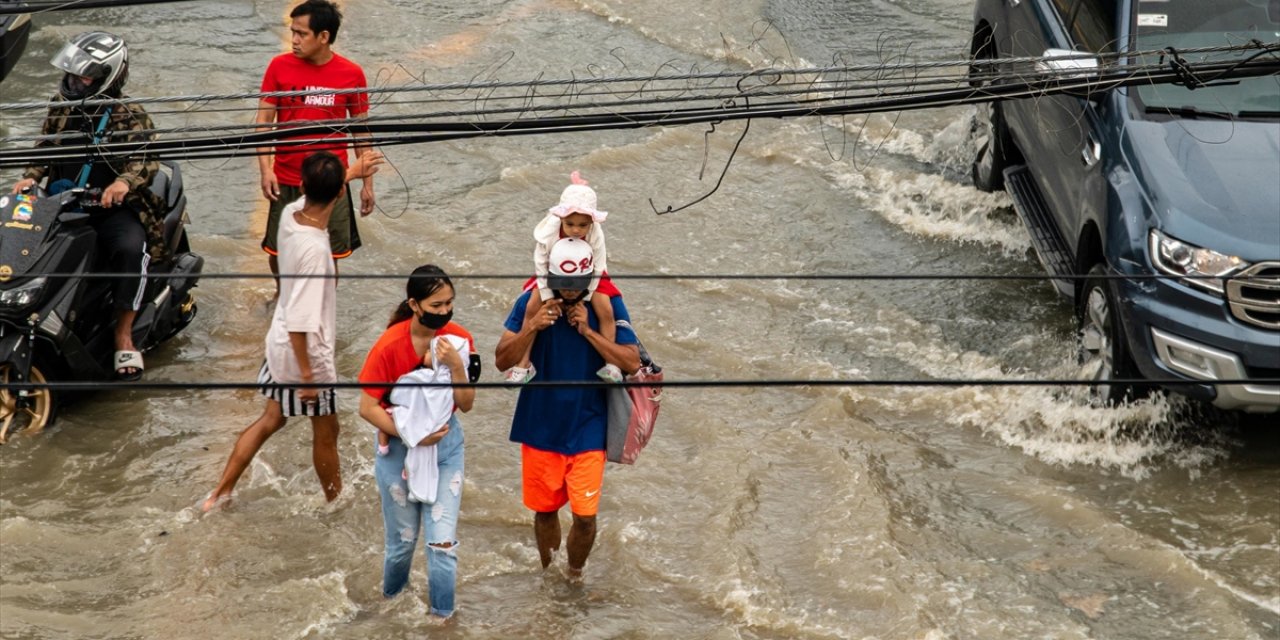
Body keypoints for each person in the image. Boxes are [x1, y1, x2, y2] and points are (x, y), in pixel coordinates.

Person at [202, 150, 382, 512]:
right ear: (338, 197)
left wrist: (347, 174)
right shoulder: (317, 252)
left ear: (301, 186)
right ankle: (335, 502)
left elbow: (317, 195)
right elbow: (302, 323)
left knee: (272, 419)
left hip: (277, 340)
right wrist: (307, 377)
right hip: (304, 354)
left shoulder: (289, 216)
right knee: (326, 432)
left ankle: (220, 493)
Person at [11, 31, 168, 380]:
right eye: (72, 74)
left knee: (130, 250)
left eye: (83, 76)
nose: (74, 81)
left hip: (112, 209)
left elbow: (144, 159)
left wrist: (121, 183)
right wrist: (30, 176)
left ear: (106, 78)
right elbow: (45, 148)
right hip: (62, 204)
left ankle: (124, 334)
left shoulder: (130, 114)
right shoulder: (60, 105)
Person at [494, 237, 642, 580]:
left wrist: (588, 331)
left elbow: (631, 362)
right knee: (544, 512)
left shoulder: (608, 304)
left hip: (589, 424)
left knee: (586, 517)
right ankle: (549, 577)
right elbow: (502, 359)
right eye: (563, 285)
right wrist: (532, 326)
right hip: (540, 424)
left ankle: (574, 575)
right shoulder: (532, 301)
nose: (571, 292)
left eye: (578, 285)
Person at [358, 265, 476, 620]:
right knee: (402, 544)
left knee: (441, 545)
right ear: (414, 304)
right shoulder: (389, 346)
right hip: (398, 451)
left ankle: (442, 619)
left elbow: (467, 404)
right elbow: (366, 408)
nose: (444, 312)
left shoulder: (459, 340)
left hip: (446, 449)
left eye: (449, 304)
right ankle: (391, 607)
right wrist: (413, 435)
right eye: (436, 305)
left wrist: (457, 367)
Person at [257, 0, 374, 289]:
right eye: (292, 32)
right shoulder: (278, 66)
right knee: (277, 250)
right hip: (286, 176)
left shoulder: (352, 74)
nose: (294, 40)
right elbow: (263, 122)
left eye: (302, 34)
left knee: (329, 254)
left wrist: (368, 184)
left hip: (333, 181)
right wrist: (265, 169)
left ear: (324, 37)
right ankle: (283, 293)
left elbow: (361, 131)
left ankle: (324, 305)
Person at [505, 171, 621, 385]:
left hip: (589, 274)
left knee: (605, 309)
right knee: (532, 306)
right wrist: (548, 295)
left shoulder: (596, 233)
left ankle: (611, 365)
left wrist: (585, 296)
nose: (576, 230)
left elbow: (599, 264)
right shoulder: (549, 231)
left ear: (591, 222)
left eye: (582, 225)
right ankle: (523, 364)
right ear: (561, 218)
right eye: (570, 224)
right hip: (552, 271)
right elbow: (541, 262)